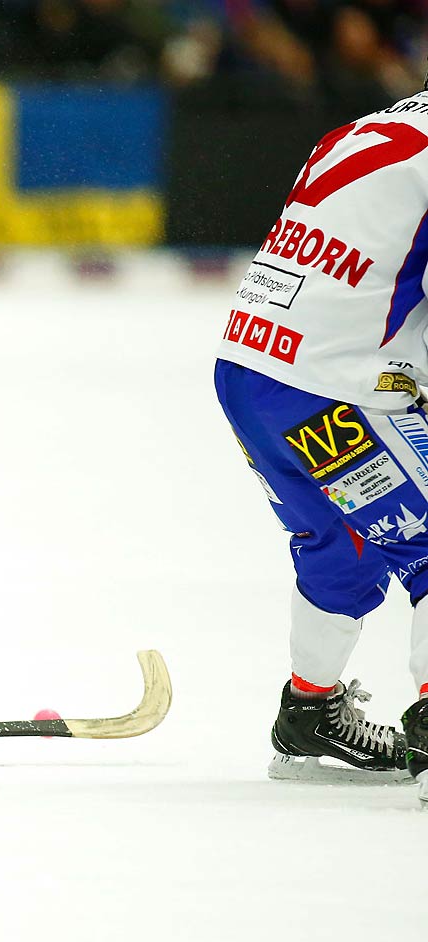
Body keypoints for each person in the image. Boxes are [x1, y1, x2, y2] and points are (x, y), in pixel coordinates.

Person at [214, 85, 428, 790]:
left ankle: (310, 711)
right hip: (337, 386)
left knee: (339, 542)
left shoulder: (370, 125)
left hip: (249, 372)